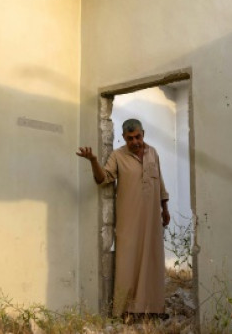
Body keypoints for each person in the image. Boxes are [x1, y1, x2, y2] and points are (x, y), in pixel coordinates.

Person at [77, 118, 170, 319]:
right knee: (128, 261)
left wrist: (165, 207)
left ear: (143, 133)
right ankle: (126, 311)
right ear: (123, 138)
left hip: (152, 218)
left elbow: (160, 182)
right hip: (129, 219)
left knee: (153, 260)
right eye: (130, 138)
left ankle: (153, 309)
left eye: (137, 136)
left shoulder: (153, 152)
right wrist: (93, 160)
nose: (135, 141)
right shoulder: (117, 156)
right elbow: (103, 179)